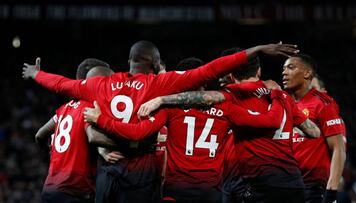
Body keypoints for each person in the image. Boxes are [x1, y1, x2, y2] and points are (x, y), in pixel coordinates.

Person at [22, 41, 299, 203]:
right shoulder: (160, 84)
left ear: (129, 62)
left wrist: (36, 73)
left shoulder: (99, 85)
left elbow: (61, 84)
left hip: (108, 172)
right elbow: (211, 69)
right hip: (144, 173)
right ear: (155, 63)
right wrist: (257, 49)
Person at [83, 57, 287, 203]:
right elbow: (269, 121)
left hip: (175, 191)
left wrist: (100, 119)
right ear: (205, 83)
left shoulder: (170, 110)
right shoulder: (226, 108)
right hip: (211, 192)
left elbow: (136, 133)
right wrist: (276, 95)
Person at [136, 48, 321, 203]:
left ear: (231, 75)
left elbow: (205, 98)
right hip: (293, 182)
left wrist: (160, 99)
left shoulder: (232, 95)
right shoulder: (282, 97)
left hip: (255, 183)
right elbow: (314, 132)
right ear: (258, 72)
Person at [34, 58, 115, 203]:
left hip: (50, 189)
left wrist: (51, 154)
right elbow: (93, 137)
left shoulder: (64, 109)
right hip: (75, 191)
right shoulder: (90, 106)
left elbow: (40, 135)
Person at [282, 54, 346, 203]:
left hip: (312, 188)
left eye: (291, 67)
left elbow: (339, 148)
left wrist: (331, 192)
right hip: (286, 187)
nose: (284, 72)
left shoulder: (323, 104)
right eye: (283, 68)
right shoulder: (283, 103)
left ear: (307, 73)